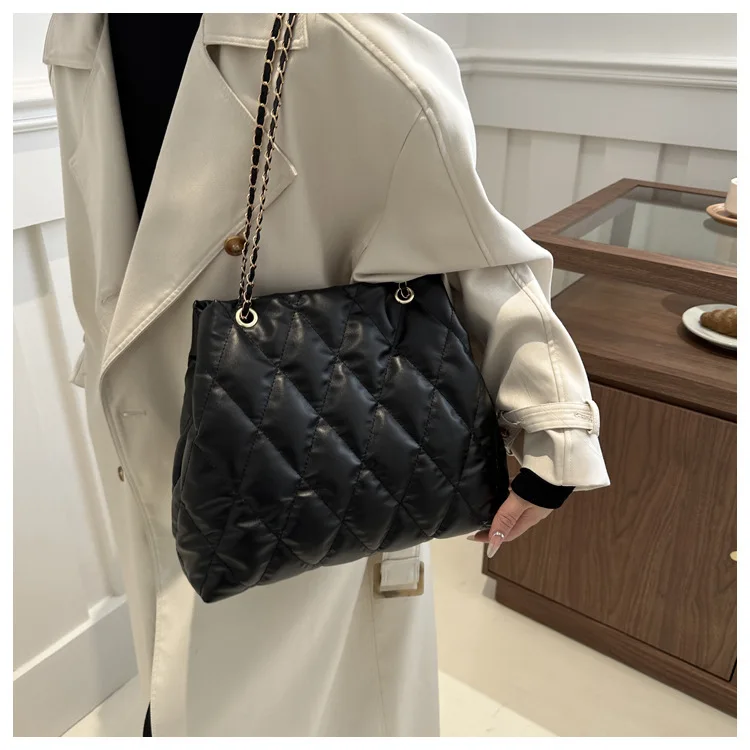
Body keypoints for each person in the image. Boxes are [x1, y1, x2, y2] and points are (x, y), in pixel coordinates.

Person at [43, 13, 609, 737]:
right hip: (144, 427)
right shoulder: (78, 32)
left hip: (313, 446)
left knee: (290, 698)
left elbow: (476, 244)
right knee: (176, 659)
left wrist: (552, 426)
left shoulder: (341, 36)